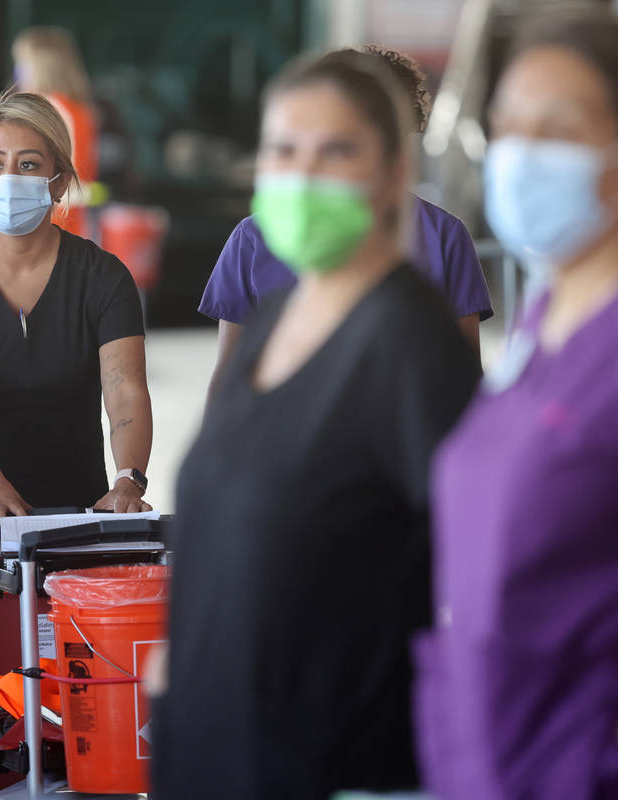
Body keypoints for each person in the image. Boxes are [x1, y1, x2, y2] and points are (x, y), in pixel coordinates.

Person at [153, 53, 480, 799]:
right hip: (214, 734)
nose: (303, 174)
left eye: (336, 151)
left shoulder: (407, 341)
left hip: (330, 753)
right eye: (284, 150)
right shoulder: (271, 321)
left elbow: (473, 553)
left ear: (393, 171)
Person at [0, 91, 152, 799]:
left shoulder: (101, 276)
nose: (10, 176)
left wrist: (129, 476)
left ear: (60, 181)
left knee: (68, 681)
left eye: (29, 163)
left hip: (70, 509)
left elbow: (126, 391)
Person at [413, 9, 618, 799]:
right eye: (509, 126)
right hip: (490, 754)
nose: (523, 153)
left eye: (557, 128)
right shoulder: (544, 315)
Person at [199, 46, 492, 394]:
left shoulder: (444, 237)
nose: (309, 169)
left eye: (338, 148)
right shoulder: (252, 240)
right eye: (285, 148)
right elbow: (229, 379)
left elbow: (464, 379)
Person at [12, 27, 100, 239]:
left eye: (22, 63)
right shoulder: (77, 109)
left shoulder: (48, 109)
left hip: (53, 224)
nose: (17, 71)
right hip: (73, 223)